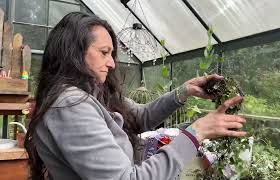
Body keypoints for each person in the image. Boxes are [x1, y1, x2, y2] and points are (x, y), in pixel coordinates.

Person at [25, 12, 246, 180]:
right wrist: (196, 132)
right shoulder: (70, 105)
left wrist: (184, 91)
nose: (111, 63)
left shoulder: (91, 93)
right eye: (104, 53)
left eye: (111, 54)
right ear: (73, 52)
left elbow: (140, 116)